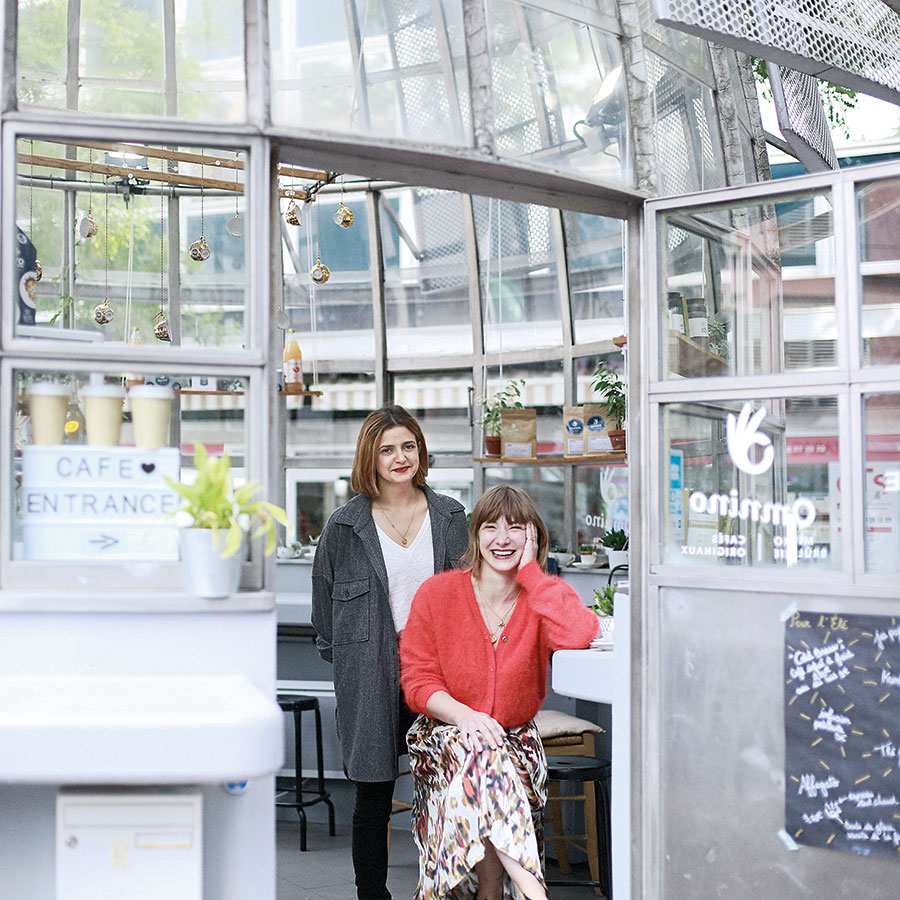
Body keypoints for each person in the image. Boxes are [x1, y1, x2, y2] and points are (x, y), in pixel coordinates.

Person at [399, 484, 600, 900]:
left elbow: (580, 632)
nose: (502, 539)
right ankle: (527, 888)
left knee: (489, 757)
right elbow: (418, 682)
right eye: (490, 527)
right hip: (444, 736)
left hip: (516, 741)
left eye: (516, 529)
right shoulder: (437, 594)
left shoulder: (541, 598)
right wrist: (466, 717)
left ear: (534, 537)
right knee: (479, 750)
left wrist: (531, 574)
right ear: (475, 536)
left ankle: (490, 888)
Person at [311, 405, 468, 900]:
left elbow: (470, 598)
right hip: (369, 675)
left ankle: (445, 889)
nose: (400, 458)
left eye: (408, 446)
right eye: (387, 450)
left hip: (437, 674)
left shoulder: (449, 516)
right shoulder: (344, 526)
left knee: (446, 792)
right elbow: (324, 615)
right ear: (370, 458)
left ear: (420, 451)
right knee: (373, 798)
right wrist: (359, 660)